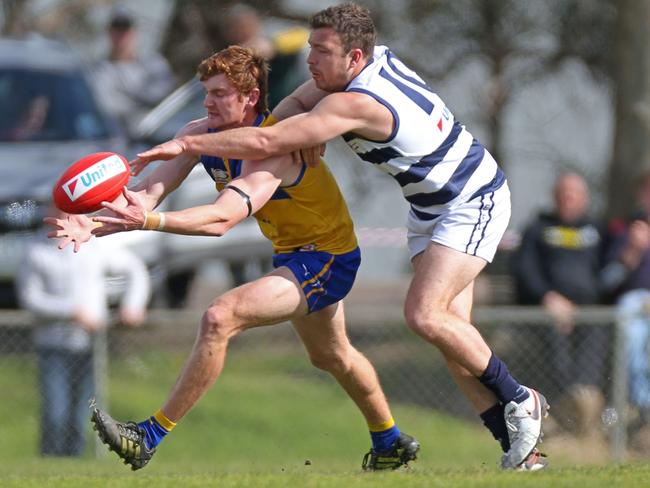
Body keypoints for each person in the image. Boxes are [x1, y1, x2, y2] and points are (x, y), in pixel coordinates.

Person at [133, 3, 551, 471]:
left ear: (354, 57)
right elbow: (291, 107)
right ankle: (520, 453)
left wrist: (191, 142)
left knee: (423, 315)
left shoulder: (355, 102)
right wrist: (297, 125)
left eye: (321, 51)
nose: (310, 59)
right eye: (310, 47)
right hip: (430, 209)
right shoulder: (360, 66)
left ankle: (520, 398)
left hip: (472, 198)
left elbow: (268, 144)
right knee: (453, 336)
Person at [48, 46, 419, 471]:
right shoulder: (199, 134)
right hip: (292, 255)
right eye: (206, 92)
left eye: (220, 93)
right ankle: (389, 440)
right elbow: (148, 192)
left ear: (250, 97)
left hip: (327, 258)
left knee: (220, 316)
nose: (208, 102)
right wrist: (92, 223)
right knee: (332, 356)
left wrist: (148, 220)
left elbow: (222, 218)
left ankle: (147, 436)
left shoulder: (277, 145)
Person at [17, 206, 149, 457]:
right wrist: (72, 311)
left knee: (81, 415)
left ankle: (71, 467)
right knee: (56, 413)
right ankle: (49, 466)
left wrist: (132, 305)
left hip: (91, 346)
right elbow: (31, 299)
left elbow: (135, 269)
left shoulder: (93, 246)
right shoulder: (35, 250)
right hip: (52, 345)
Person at [513, 172, 608, 437]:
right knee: (554, 336)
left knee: (597, 331)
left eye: (574, 194)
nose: (569, 199)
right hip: (549, 309)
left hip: (591, 310)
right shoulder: (537, 229)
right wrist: (547, 297)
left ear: (585, 198)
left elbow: (608, 270)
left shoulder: (597, 229)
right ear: (555, 197)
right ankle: (565, 403)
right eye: (564, 194)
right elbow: (525, 269)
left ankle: (586, 398)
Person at [601, 171, 650, 431]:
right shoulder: (624, 231)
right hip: (633, 303)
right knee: (633, 343)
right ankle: (643, 410)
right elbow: (606, 282)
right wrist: (632, 251)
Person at [91, 6, 175, 135]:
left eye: (125, 28)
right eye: (116, 28)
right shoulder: (98, 70)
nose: (120, 34)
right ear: (109, 32)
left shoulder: (154, 64)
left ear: (134, 32)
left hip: (147, 137)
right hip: (106, 137)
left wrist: (128, 97)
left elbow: (163, 98)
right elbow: (100, 104)